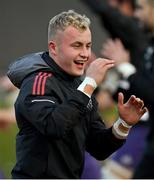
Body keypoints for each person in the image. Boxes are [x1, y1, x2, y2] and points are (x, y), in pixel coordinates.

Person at [7, 10, 147, 179]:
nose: (85, 54)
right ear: (53, 48)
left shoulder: (80, 85)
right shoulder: (39, 81)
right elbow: (53, 126)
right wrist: (90, 83)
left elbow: (99, 148)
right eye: (76, 45)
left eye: (88, 45)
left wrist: (123, 124)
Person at [101, 0, 154, 178]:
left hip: (142, 130)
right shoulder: (147, 47)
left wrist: (125, 67)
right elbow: (135, 91)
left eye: (140, 8)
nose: (136, 14)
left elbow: (149, 92)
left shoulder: (140, 45)